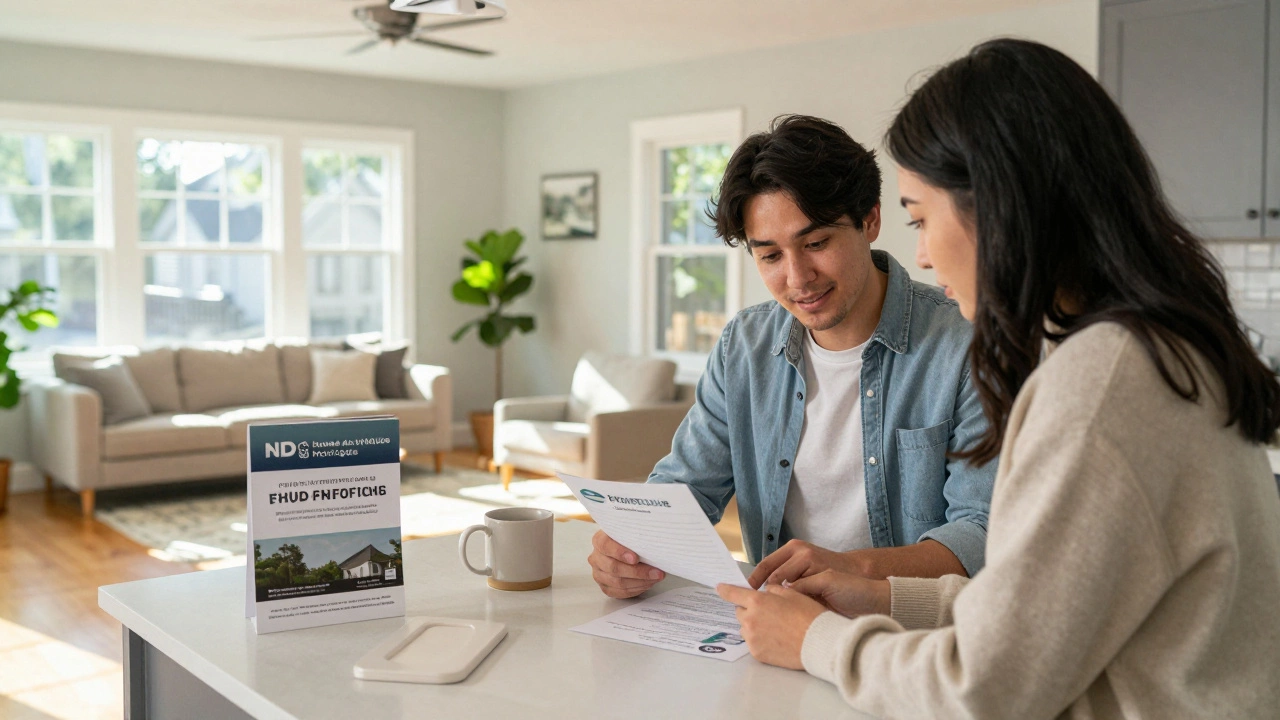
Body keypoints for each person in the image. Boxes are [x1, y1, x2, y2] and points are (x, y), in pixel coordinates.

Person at [717, 39, 1280, 718]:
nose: (921, 255)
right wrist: (883, 597)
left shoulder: (1099, 387)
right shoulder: (1156, 348)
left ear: (999, 207)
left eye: (922, 219)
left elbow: (986, 686)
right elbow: (1044, 610)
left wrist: (819, 642)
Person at [588, 115, 997, 599]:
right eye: (770, 256)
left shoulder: (968, 345)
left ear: (870, 220)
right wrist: (629, 547)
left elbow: (983, 533)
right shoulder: (745, 345)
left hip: (907, 635)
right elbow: (686, 488)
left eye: (817, 243)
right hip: (775, 626)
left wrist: (849, 569)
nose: (798, 278)